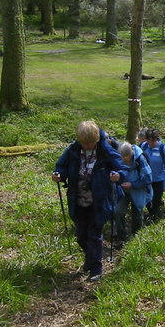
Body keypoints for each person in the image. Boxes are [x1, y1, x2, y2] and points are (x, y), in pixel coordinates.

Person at [51, 120, 124, 282]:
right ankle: (90, 257)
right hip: (78, 200)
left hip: (99, 201)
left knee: (94, 234)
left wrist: (117, 175)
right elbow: (61, 166)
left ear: (97, 139)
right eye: (84, 143)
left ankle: (96, 269)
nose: (87, 146)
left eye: (90, 143)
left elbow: (121, 167)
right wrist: (58, 175)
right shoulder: (73, 150)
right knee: (81, 235)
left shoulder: (106, 151)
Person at [114, 142, 153, 246]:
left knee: (137, 215)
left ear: (130, 154)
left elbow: (148, 179)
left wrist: (132, 184)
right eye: (122, 156)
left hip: (138, 191)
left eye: (126, 156)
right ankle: (122, 238)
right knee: (118, 212)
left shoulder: (140, 160)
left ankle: (136, 239)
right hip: (123, 192)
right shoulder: (119, 160)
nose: (124, 159)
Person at [141, 129, 165, 221]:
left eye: (152, 141)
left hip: (159, 181)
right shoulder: (144, 147)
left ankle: (155, 218)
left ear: (156, 139)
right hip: (147, 180)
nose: (150, 143)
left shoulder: (164, 150)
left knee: (156, 201)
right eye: (148, 140)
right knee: (147, 200)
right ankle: (152, 214)